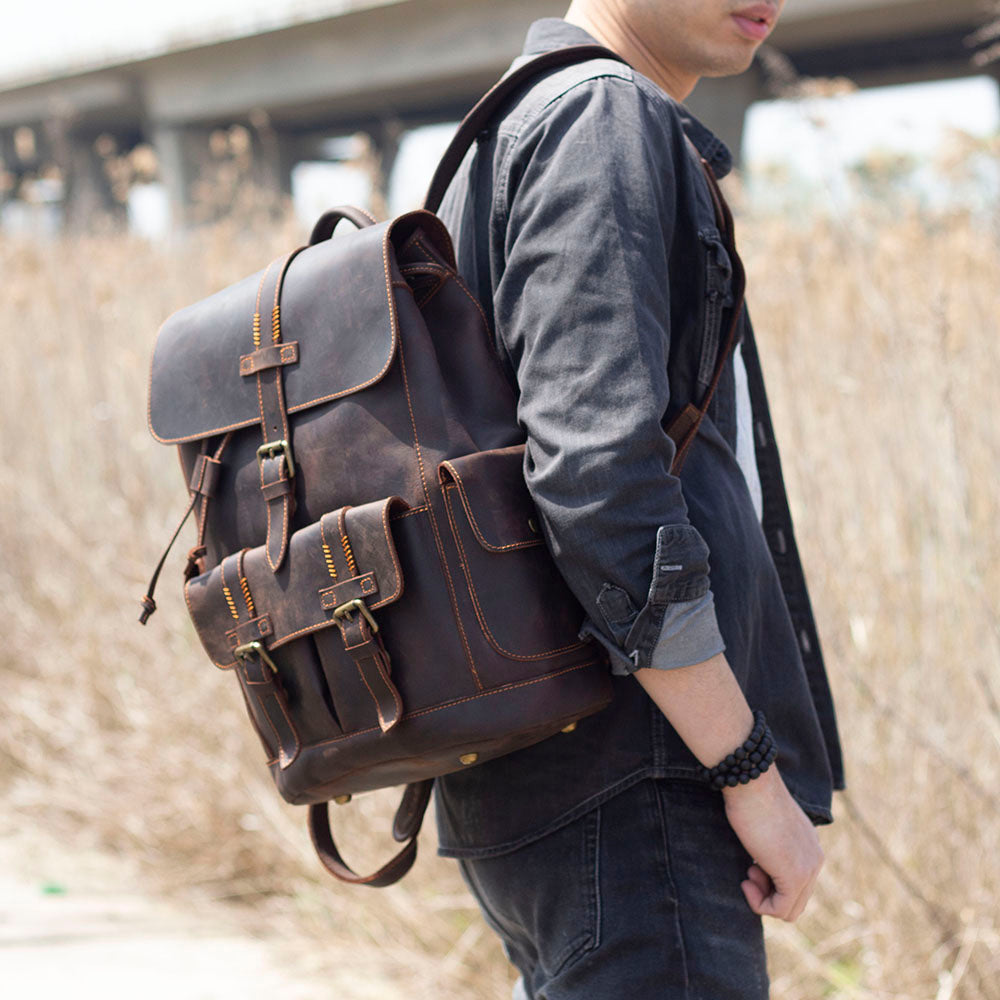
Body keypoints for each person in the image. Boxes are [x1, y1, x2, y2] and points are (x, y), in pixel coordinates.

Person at [433, 2, 845, 997]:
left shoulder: (518, 120)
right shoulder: (598, 118)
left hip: (564, 776)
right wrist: (746, 769)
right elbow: (599, 477)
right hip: (638, 783)